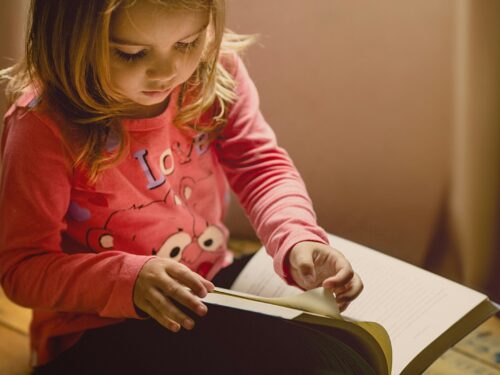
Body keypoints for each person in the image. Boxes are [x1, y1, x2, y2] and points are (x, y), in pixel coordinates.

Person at [0, 0, 369, 374]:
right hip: (96, 329)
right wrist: (128, 280)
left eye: (187, 43)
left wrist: (296, 236)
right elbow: (21, 269)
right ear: (65, 39)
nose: (168, 71)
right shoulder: (42, 127)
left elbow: (260, 165)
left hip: (209, 286)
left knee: (334, 353)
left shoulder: (213, 73)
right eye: (132, 53)